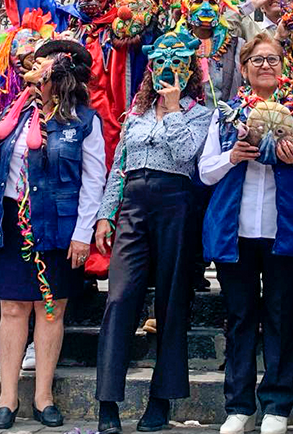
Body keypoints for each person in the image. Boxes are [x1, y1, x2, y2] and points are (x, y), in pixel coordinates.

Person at [0, 39, 107, 429]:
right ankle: (7, 397)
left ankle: (43, 395)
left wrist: (83, 233)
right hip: (12, 221)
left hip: (58, 222)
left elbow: (94, 180)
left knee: (50, 309)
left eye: (41, 70)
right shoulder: (10, 118)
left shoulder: (84, 121)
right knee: (12, 308)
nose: (32, 76)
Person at [199, 33, 293, 434]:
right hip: (236, 230)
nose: (265, 66)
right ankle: (239, 405)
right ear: (243, 68)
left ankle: (277, 405)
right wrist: (232, 156)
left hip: (284, 228)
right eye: (257, 60)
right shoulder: (226, 114)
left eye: (272, 60)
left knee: (280, 316)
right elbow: (205, 171)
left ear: (283, 67)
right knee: (239, 318)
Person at [93, 27, 214, 434]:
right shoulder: (137, 112)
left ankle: (161, 400)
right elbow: (119, 165)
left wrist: (175, 107)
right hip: (134, 204)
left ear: (189, 70)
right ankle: (107, 400)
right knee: (119, 297)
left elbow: (186, 155)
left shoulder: (200, 113)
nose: (167, 70)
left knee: (171, 302)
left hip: (176, 204)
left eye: (176, 63)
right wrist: (106, 213)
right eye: (160, 62)